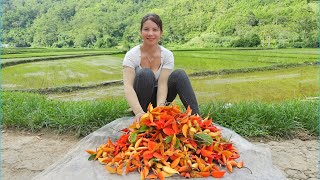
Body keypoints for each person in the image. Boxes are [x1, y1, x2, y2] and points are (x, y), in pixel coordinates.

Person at [122, 13, 199, 120]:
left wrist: (159, 109)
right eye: (146, 29)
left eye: (155, 30)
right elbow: (128, 87)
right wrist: (138, 111)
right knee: (145, 73)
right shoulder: (132, 55)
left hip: (160, 100)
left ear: (161, 32)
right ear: (141, 32)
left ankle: (196, 117)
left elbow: (163, 84)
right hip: (140, 103)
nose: (150, 33)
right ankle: (142, 113)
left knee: (179, 74)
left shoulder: (167, 55)